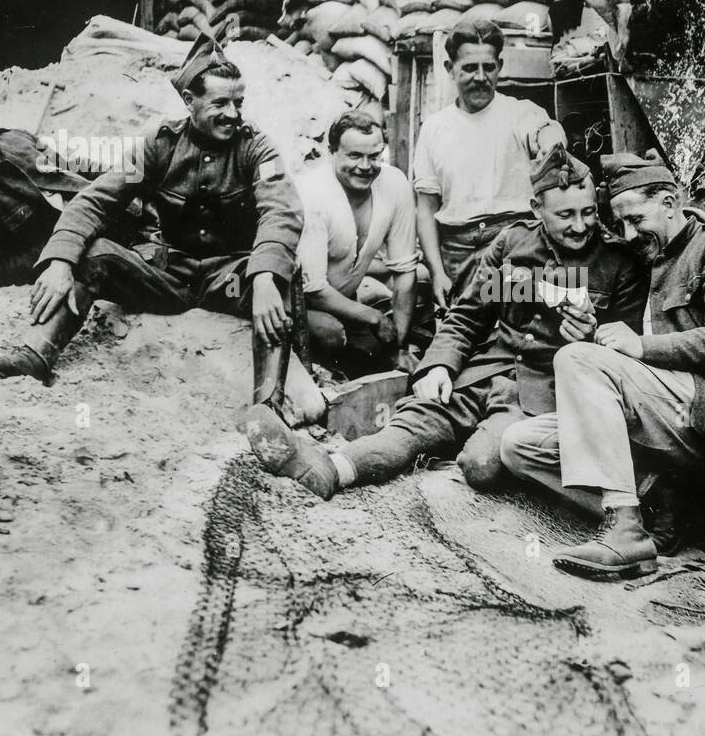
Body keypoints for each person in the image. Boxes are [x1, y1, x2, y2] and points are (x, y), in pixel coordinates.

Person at [245, 147, 648, 498]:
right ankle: (330, 470)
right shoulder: (512, 245)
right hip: (482, 374)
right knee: (415, 423)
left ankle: (471, 445)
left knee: (481, 464)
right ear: (536, 209)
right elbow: (469, 317)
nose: (580, 225)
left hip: (540, 398)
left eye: (589, 212)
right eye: (566, 215)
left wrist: (590, 338)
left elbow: (618, 361)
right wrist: (438, 364)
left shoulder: (618, 264)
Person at [0, 28, 304, 416]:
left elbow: (282, 210)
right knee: (96, 255)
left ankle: (267, 408)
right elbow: (97, 199)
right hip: (168, 274)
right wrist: (59, 260)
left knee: (282, 277)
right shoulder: (160, 145)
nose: (233, 114)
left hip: (229, 276)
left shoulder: (256, 147)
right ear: (189, 101)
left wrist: (263, 276)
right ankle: (34, 357)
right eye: (221, 103)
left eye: (239, 102)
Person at [500, 150, 705, 581]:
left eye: (637, 219)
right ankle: (653, 511)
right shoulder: (646, 257)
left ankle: (626, 531)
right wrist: (595, 332)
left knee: (576, 360)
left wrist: (639, 347)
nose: (630, 233)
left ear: (669, 202)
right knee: (517, 445)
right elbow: (620, 359)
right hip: (654, 411)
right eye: (622, 224)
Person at [0, 76, 154, 286]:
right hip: (104, 252)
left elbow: (73, 164)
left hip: (130, 213)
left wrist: (125, 177)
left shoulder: (16, 138)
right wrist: (69, 245)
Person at [413, 18, 567, 310]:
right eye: (470, 68)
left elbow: (546, 131)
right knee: (463, 330)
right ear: (450, 69)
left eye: (489, 67)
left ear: (500, 66)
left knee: (514, 328)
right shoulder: (434, 128)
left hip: (514, 242)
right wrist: (437, 272)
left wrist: (551, 144)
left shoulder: (521, 112)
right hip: (458, 252)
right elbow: (426, 208)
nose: (480, 77)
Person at [294, 110, 416, 375]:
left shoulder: (394, 183)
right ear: (331, 151)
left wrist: (402, 349)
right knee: (331, 336)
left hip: (348, 302)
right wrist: (374, 317)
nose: (365, 166)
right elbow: (313, 290)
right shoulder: (312, 192)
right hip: (302, 306)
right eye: (354, 156)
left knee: (385, 351)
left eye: (374, 156)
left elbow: (405, 272)